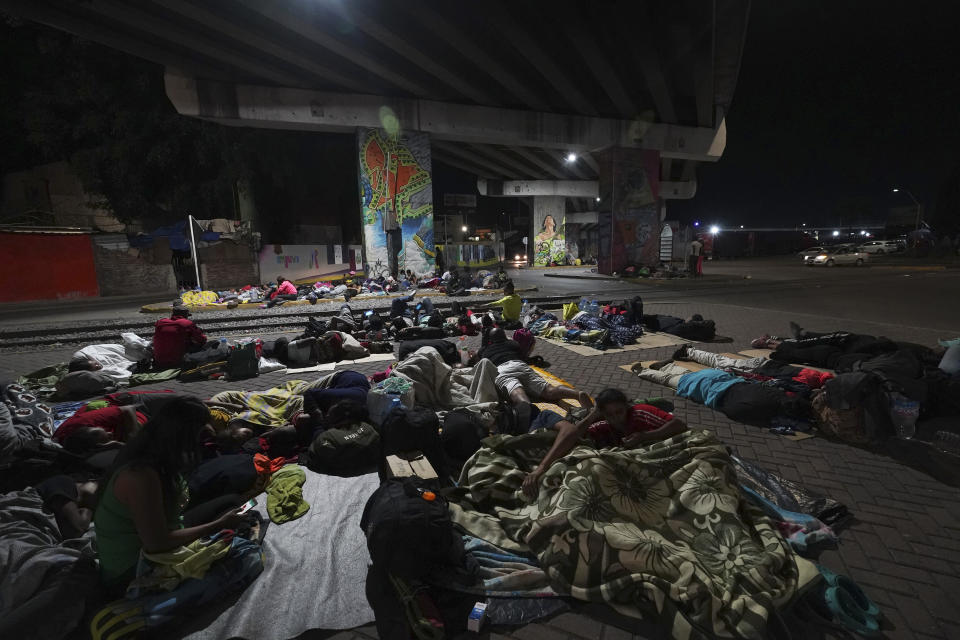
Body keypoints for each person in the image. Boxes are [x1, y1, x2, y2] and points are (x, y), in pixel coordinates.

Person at [93, 397, 247, 590]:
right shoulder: (141, 475)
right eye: (201, 430)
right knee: (231, 535)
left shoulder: (154, 452)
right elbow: (157, 543)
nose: (207, 433)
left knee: (231, 502)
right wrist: (218, 524)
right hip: (134, 567)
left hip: (164, 532)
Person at [522, 389, 687, 497]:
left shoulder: (641, 413)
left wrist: (646, 436)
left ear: (626, 407)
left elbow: (679, 425)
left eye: (619, 412)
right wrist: (593, 415)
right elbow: (575, 434)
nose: (616, 418)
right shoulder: (604, 425)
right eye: (610, 414)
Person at [471, 328, 591, 426]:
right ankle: (577, 394)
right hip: (520, 365)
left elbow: (478, 361)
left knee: (518, 394)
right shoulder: (513, 344)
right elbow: (523, 355)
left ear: (491, 340)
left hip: (502, 370)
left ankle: (531, 411)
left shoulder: (485, 350)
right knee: (549, 390)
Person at [152, 305, 207, 369]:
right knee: (205, 347)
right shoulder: (186, 323)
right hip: (177, 362)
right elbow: (202, 339)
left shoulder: (160, 322)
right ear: (185, 315)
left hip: (158, 362)